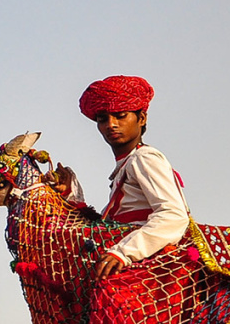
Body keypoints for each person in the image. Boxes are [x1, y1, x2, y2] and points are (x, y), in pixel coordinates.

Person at [79, 76, 188, 280]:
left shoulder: (144, 158)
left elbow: (174, 215)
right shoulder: (127, 164)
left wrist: (123, 253)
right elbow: (106, 223)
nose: (111, 125)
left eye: (120, 116)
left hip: (151, 271)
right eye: (103, 119)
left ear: (142, 119)